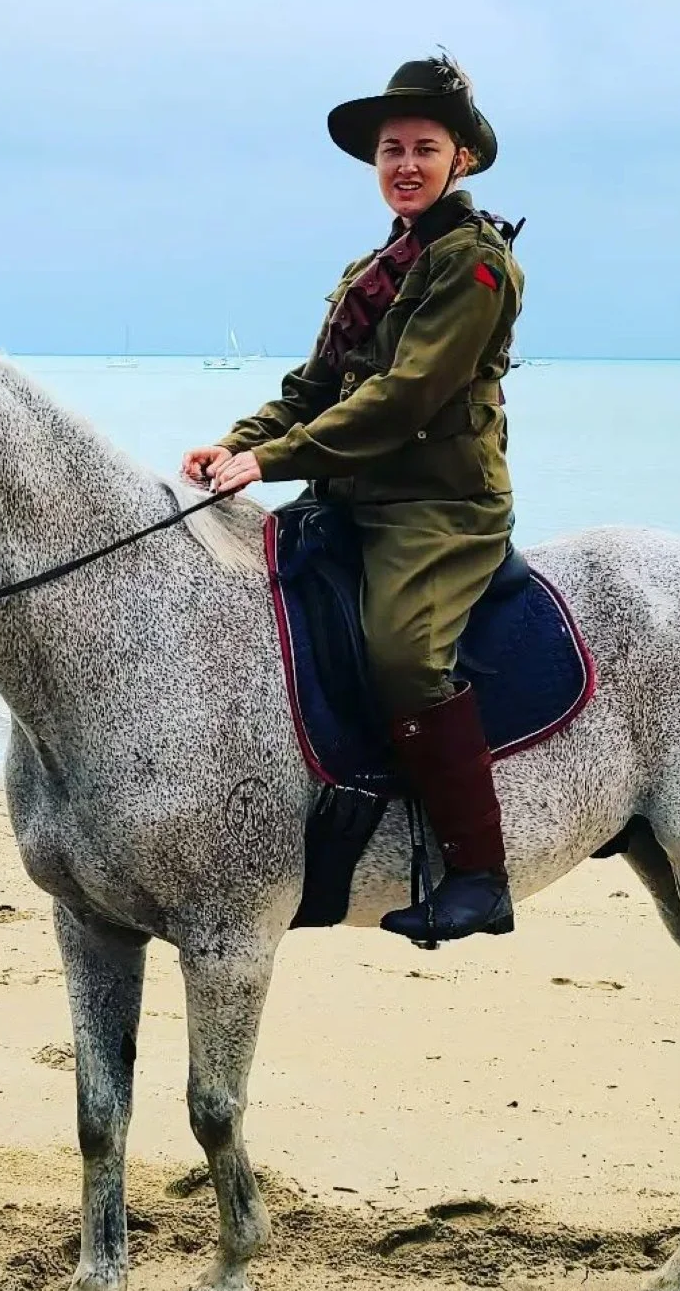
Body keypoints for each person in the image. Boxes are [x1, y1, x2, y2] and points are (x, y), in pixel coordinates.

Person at [182, 56, 524, 944]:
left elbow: (403, 399)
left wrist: (278, 461)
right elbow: (314, 387)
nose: (405, 164)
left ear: (463, 160)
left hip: (439, 509)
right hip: (351, 496)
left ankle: (480, 873)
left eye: (424, 147)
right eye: (390, 150)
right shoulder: (374, 267)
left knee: (402, 655)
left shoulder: (473, 265)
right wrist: (239, 443)